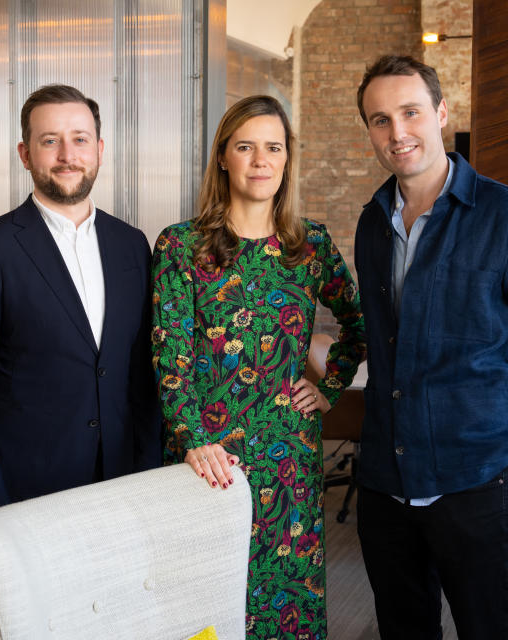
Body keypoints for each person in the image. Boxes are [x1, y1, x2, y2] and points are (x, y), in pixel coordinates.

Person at [353, 55, 508, 639]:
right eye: (381, 120)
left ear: (442, 113)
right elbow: (384, 343)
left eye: (410, 112)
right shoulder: (371, 223)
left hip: (478, 480)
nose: (397, 133)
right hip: (386, 483)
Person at [152, 95, 366, 640]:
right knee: (206, 601)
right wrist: (194, 438)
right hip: (207, 458)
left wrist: (329, 388)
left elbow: (358, 324)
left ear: (288, 159)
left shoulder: (309, 245)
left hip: (289, 459)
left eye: (273, 148)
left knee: (286, 601)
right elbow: (168, 354)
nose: (260, 160)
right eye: (245, 147)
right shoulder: (181, 246)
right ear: (224, 157)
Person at [0, 84, 159, 518]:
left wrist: (148, 473)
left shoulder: (132, 246)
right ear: (25, 154)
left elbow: (143, 377)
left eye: (79, 139)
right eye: (49, 141)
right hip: (28, 495)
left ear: (99, 149)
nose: (67, 155)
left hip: (124, 487)